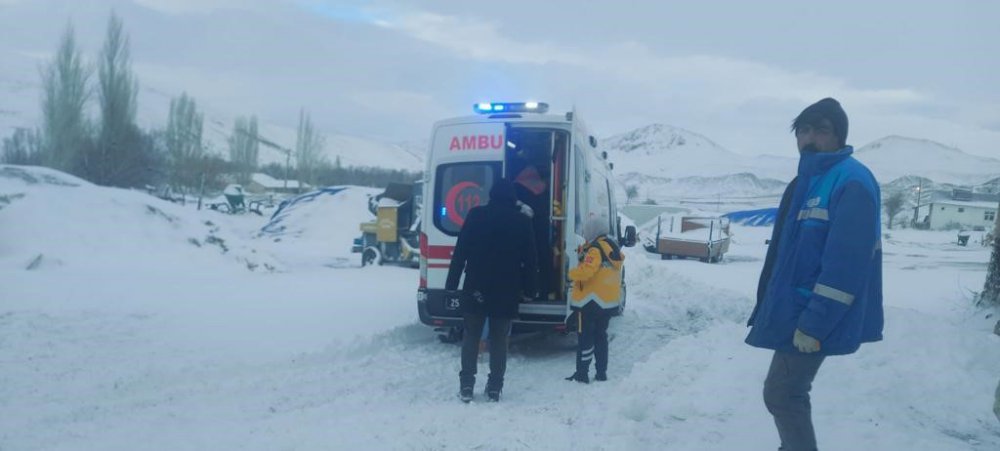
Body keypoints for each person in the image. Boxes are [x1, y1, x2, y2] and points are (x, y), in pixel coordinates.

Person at [745, 98, 884, 450]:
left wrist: (814, 323)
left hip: (812, 315)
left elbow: (847, 266)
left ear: (839, 136)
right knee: (785, 393)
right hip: (797, 311)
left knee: (782, 393)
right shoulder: (808, 180)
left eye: (821, 130)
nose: (809, 138)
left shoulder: (851, 181)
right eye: (803, 130)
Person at [446, 179, 538, 403]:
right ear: (512, 198)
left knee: (471, 337)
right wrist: (531, 289)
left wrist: (451, 284)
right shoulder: (522, 221)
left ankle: (467, 385)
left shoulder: (476, 215)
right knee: (499, 339)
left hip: (476, 286)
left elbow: (460, 252)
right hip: (506, 289)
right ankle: (495, 387)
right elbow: (530, 259)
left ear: (491, 194)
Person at [565, 217, 624, 383]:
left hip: (589, 302)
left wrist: (570, 274)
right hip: (606, 302)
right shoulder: (611, 246)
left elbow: (586, 271)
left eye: (587, 229)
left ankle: (582, 373)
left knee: (585, 337)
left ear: (594, 230)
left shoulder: (595, 249)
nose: (585, 232)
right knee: (600, 337)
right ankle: (601, 372)